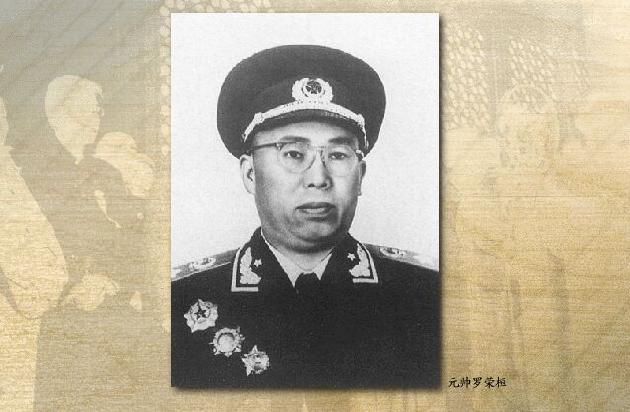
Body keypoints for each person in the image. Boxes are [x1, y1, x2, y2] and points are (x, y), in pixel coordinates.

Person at [171, 45, 440, 388]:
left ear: (360, 176)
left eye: (338, 155)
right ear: (250, 174)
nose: (318, 178)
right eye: (294, 154)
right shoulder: (181, 299)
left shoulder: (425, 294)